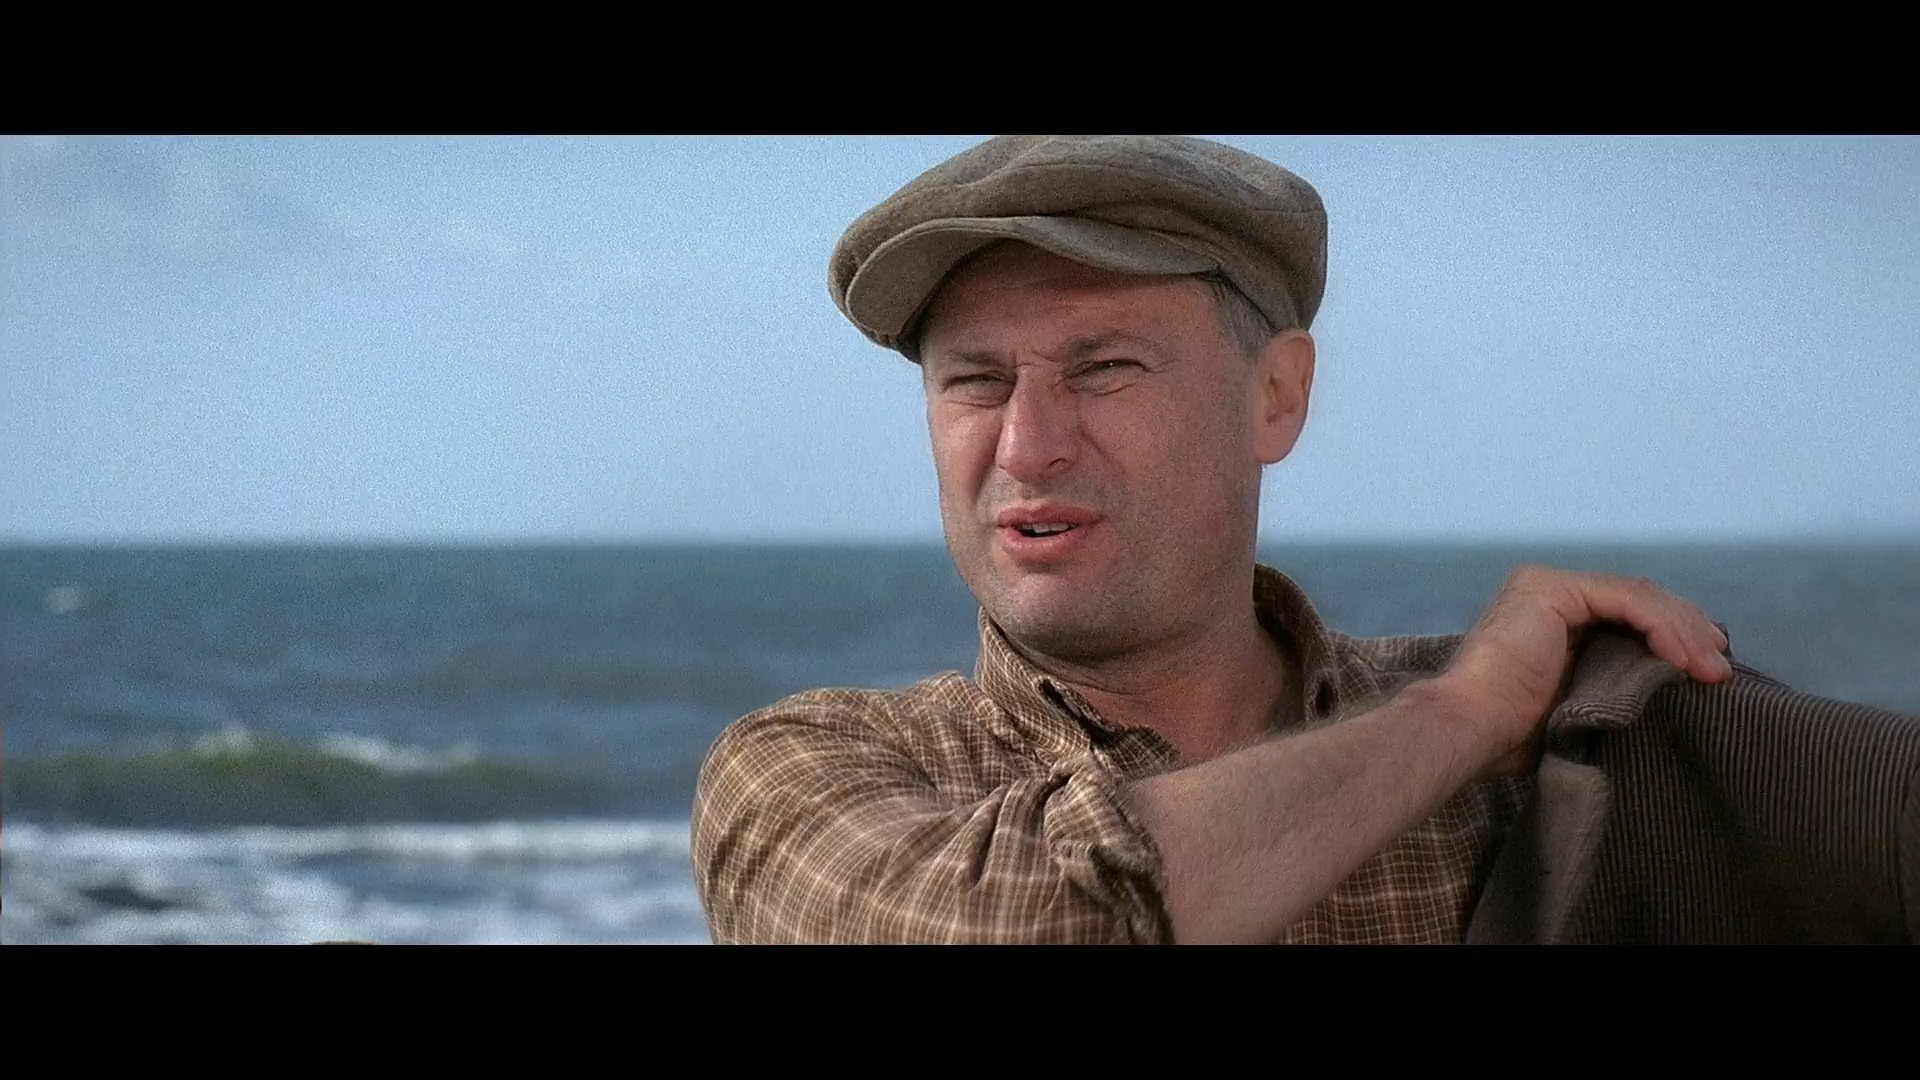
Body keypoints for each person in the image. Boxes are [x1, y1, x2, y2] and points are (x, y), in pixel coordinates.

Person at [690, 135, 1920, 944]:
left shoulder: (1562, 731)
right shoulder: (810, 773)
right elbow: (1038, 925)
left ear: (1276, 397)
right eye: (975, 380)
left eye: (1103, 368)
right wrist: (1459, 720)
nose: (1027, 443)